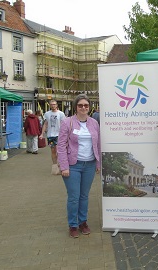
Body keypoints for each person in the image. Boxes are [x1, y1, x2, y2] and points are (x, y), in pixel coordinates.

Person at [57, 94, 101, 238]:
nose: (83, 108)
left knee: (84, 196)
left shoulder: (94, 123)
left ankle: (83, 222)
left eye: (86, 105)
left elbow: (98, 144)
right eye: (80, 105)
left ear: (89, 107)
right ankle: (73, 225)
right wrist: (64, 166)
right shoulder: (67, 122)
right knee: (74, 197)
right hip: (73, 165)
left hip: (89, 164)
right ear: (76, 107)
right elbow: (61, 146)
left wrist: (98, 163)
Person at [39, 100, 65, 166]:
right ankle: (55, 165)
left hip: (59, 135)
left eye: (54, 104)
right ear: (50, 105)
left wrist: (65, 134)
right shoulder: (47, 114)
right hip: (50, 135)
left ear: (56, 105)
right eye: (51, 104)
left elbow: (64, 124)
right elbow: (45, 124)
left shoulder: (61, 114)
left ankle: (60, 164)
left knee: (59, 151)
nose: (53, 106)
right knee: (53, 151)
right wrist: (42, 134)